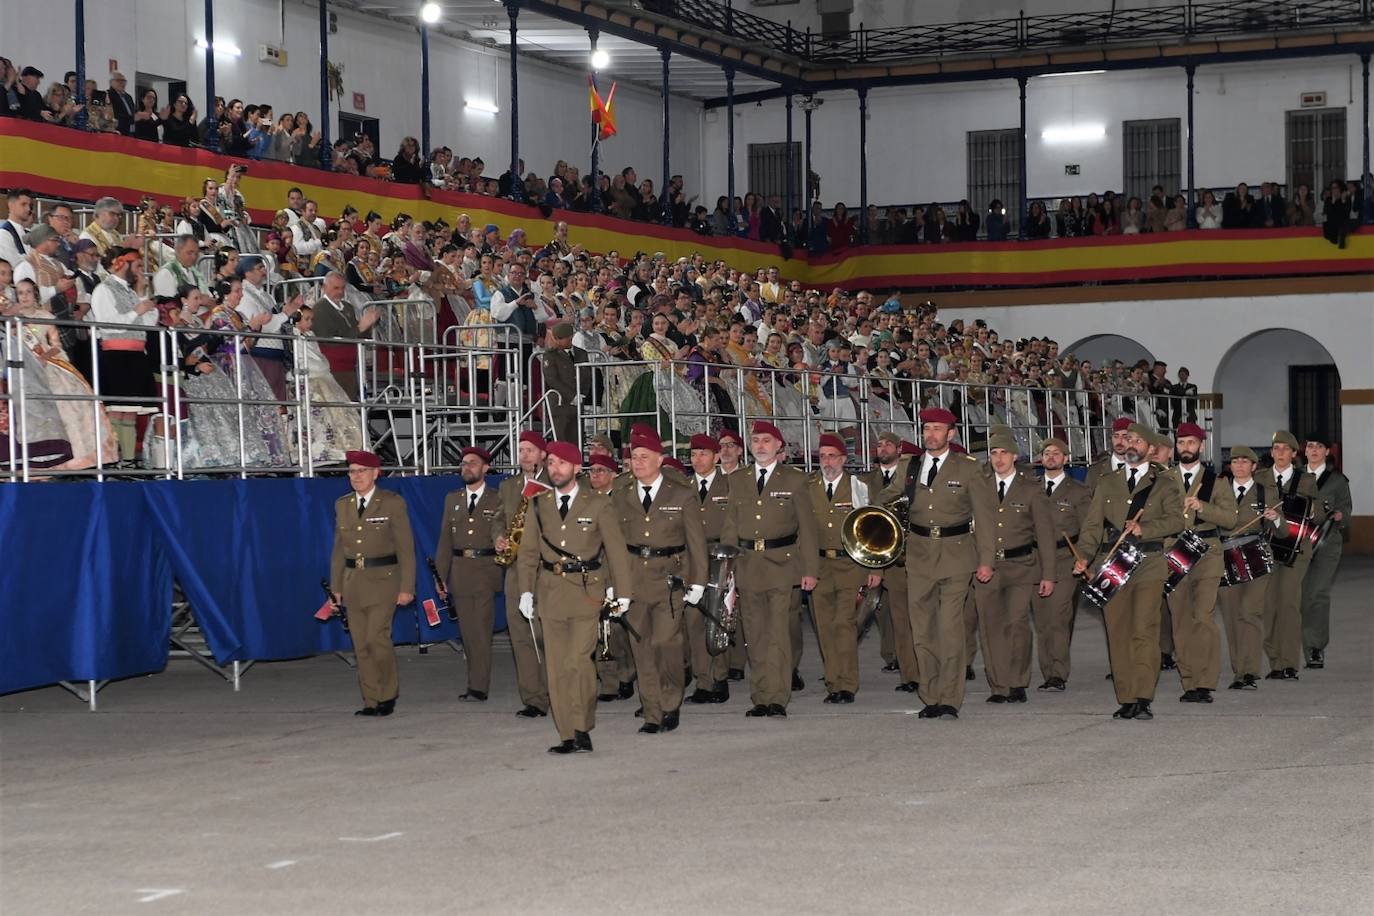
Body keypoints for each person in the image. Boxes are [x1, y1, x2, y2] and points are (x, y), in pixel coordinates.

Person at [515, 440, 634, 754]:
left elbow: (616, 552)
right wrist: (525, 590)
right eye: (551, 463)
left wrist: (622, 592)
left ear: (577, 468)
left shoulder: (597, 504)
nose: (555, 469)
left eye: (562, 464)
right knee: (556, 666)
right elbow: (527, 553)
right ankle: (566, 733)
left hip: (586, 592)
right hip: (550, 592)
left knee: (578, 661)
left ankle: (582, 726)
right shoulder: (537, 505)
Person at [1073, 422, 1185, 720]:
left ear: (1150, 449)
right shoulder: (1108, 481)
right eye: (1129, 439)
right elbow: (1093, 525)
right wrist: (1084, 556)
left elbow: (1177, 522)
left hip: (1148, 562)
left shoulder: (1164, 482)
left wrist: (1145, 528)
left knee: (1144, 630)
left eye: (1138, 441)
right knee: (1118, 631)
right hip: (1113, 563)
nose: (1132, 444)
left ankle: (1143, 695)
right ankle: (1126, 697)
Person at [719, 420, 819, 718]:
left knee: (777, 634)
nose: (760, 445)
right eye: (756, 440)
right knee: (755, 635)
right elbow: (731, 527)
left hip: (782, 565)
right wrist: (727, 569)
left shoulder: (794, 480)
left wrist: (810, 570)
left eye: (766, 440)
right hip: (748, 565)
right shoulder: (739, 479)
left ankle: (777, 697)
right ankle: (760, 697)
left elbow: (807, 530)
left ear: (778, 446)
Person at [902, 408, 996, 720]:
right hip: (918, 555)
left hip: (957, 555)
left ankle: (950, 698)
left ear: (951, 434)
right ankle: (930, 695)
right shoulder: (910, 466)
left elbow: (984, 517)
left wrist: (986, 560)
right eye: (927, 428)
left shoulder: (969, 468)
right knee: (922, 630)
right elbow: (885, 499)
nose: (931, 434)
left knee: (950, 628)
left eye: (938, 429)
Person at [610, 431, 707, 733]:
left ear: (660, 460)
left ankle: (670, 701)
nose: (637, 463)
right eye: (634, 458)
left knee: (666, 642)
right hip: (634, 576)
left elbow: (696, 543)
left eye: (644, 458)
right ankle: (653, 711)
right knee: (641, 646)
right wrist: (613, 583)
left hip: (670, 577)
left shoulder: (681, 493)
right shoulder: (622, 493)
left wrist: (699, 581)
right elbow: (613, 543)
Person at [329, 450, 416, 717]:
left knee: (376, 638)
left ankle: (387, 694)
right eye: (352, 471)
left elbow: (405, 548)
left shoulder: (391, 503)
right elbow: (338, 550)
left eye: (362, 471)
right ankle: (370, 699)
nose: (356, 476)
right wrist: (336, 589)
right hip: (353, 582)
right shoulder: (343, 504)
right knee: (360, 644)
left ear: (376, 473)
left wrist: (407, 587)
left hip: (384, 581)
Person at [973, 432, 1057, 705]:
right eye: (994, 453)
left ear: (1015, 457)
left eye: (1003, 453)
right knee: (991, 626)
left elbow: (1045, 535)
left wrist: (1049, 574)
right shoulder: (979, 485)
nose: (998, 459)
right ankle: (999, 684)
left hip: (1021, 566)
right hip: (987, 567)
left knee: (1017, 624)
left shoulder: (1031, 488)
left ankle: (1018, 682)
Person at [1165, 422, 1238, 704]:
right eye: (1181, 443)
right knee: (1181, 619)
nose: (1186, 448)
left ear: (1201, 446)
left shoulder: (1215, 481)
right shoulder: (1164, 480)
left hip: (1207, 551)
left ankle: (1205, 682)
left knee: (1203, 617)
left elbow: (1230, 519)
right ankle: (1189, 681)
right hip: (1174, 551)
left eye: (1191, 443)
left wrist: (1203, 507)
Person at [809, 433, 882, 703]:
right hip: (819, 566)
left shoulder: (858, 487)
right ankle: (833, 681)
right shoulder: (809, 487)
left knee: (845, 624)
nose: (827, 461)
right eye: (823, 456)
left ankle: (847, 684)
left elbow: (875, 529)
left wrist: (876, 569)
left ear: (843, 459)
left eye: (832, 456)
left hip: (851, 565)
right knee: (824, 627)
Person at [434, 447, 503, 702]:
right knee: (467, 631)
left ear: (486, 468)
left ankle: (478, 686)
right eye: (464, 464)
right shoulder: (452, 499)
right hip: (460, 571)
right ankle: (474, 681)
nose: (467, 468)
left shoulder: (497, 499)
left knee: (481, 631)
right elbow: (444, 541)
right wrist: (440, 577)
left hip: (485, 569)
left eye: (473, 463)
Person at [493, 432, 553, 718]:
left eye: (530, 450)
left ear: (543, 453)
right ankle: (533, 699)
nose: (525, 455)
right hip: (516, 572)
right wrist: (498, 538)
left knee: (548, 637)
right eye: (520, 450)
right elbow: (497, 520)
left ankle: (557, 693)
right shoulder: (508, 486)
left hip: (547, 571)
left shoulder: (556, 483)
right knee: (521, 637)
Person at [1255, 430, 1321, 680]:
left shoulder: (1306, 480)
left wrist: (1314, 512)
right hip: (1267, 549)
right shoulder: (1259, 478)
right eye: (1276, 448)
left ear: (1294, 454)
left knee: (1289, 603)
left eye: (1285, 449)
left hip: (1296, 550)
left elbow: (1317, 514)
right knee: (1269, 605)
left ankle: (1289, 662)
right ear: (1271, 452)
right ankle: (1275, 662)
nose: (1280, 453)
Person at [85, 247, 159, 464]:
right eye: (136, 265)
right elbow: (109, 322)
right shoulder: (103, 289)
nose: (139, 271)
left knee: (130, 413)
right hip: (117, 356)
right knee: (117, 411)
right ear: (122, 263)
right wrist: (137, 310)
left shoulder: (130, 291)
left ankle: (127, 459)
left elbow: (147, 323)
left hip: (135, 355)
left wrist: (142, 295)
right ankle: (113, 460)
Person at [1031, 438, 1091, 691]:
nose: (1051, 457)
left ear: (1066, 459)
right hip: (1035, 560)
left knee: (1058, 616)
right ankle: (1047, 671)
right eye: (1047, 453)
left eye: (1057, 453)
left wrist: (1086, 557)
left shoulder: (1078, 491)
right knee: (1042, 619)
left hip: (1065, 558)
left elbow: (1089, 528)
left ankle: (1058, 672)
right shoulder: (1030, 487)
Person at [862, 430, 920, 690]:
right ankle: (910, 676)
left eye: (888, 445)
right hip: (891, 561)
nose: (882, 448)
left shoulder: (916, 481)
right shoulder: (867, 481)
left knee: (922, 621)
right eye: (879, 444)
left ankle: (927, 672)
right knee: (899, 622)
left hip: (919, 559)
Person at [683, 433, 733, 705]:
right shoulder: (682, 486)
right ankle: (703, 681)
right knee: (693, 623)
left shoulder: (730, 485)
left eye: (703, 454)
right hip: (691, 560)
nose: (697, 459)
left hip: (720, 558)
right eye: (693, 454)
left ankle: (721, 678)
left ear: (716, 457)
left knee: (718, 619)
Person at [1217, 447, 1269, 690]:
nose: (1238, 465)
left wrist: (1274, 518)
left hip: (1255, 553)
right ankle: (1239, 670)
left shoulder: (1264, 492)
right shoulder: (1219, 491)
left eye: (1244, 461)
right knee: (1231, 615)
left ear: (1254, 466)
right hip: (1225, 555)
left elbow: (1280, 531)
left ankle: (1250, 671)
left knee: (1250, 612)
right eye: (1234, 461)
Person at [1300, 435, 1351, 669]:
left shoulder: (1337, 480)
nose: (1314, 450)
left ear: (1327, 452)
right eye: (1310, 446)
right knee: (1297, 597)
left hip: (1326, 543)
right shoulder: (1293, 476)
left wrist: (1340, 516)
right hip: (1296, 544)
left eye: (1319, 447)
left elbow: (1346, 508)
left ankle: (1314, 648)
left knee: (1317, 594)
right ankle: (1290, 648)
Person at [290, 305, 364, 464]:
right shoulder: (294, 336)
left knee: (339, 413)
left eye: (311, 319)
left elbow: (318, 356)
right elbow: (301, 359)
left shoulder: (310, 335)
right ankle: (317, 451)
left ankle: (344, 448)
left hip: (323, 376)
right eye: (306, 319)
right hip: (310, 379)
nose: (310, 323)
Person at [308, 271, 380, 400]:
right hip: (333, 368)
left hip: (350, 366)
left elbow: (357, 334)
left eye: (342, 288)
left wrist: (369, 324)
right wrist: (361, 327)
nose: (340, 292)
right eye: (336, 288)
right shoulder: (319, 309)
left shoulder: (347, 307)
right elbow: (327, 339)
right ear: (324, 288)